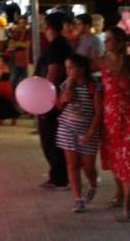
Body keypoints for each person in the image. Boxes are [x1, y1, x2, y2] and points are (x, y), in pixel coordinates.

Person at [100, 26, 130, 221]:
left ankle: (128, 202)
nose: (106, 42)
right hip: (110, 115)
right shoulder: (101, 61)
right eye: (106, 39)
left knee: (129, 156)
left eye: (110, 39)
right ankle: (120, 194)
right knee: (114, 156)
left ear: (119, 42)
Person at [56, 53, 101, 213]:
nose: (68, 71)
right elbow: (59, 105)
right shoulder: (66, 84)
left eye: (71, 68)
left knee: (88, 166)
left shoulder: (93, 85)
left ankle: (93, 184)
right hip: (68, 128)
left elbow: (98, 112)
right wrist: (66, 92)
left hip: (88, 130)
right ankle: (78, 198)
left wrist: (90, 132)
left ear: (81, 69)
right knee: (72, 164)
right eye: (66, 68)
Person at [36, 11, 73, 190]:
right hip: (59, 98)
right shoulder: (62, 44)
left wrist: (45, 97)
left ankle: (60, 177)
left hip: (54, 100)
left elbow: (54, 72)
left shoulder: (55, 47)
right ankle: (59, 175)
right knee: (55, 138)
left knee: (51, 138)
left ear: (49, 27)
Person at [8, 16, 31, 89]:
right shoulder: (16, 33)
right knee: (12, 81)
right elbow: (10, 45)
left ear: (26, 23)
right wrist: (21, 44)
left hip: (26, 61)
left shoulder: (29, 33)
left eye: (23, 23)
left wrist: (17, 43)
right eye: (20, 23)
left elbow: (28, 45)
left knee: (25, 82)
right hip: (16, 61)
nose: (22, 25)